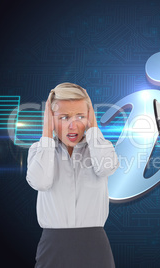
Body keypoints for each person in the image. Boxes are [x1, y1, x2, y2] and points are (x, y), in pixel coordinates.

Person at [26, 82, 119, 268]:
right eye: (64, 117)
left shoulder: (100, 147)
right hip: (53, 246)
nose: (72, 125)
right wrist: (46, 133)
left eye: (80, 116)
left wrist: (93, 128)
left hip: (95, 247)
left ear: (90, 117)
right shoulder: (39, 150)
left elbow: (106, 168)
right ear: (51, 119)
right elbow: (40, 182)